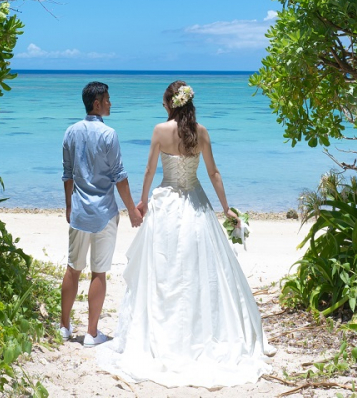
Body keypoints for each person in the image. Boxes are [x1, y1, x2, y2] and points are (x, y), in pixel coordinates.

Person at [96, 80, 274, 386]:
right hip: (196, 205)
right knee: (201, 270)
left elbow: (151, 171)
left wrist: (141, 201)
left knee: (164, 270)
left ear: (169, 104)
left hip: (166, 204)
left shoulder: (159, 131)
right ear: (189, 103)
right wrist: (226, 208)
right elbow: (213, 173)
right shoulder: (201, 132)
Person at [60, 81, 143, 346]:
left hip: (80, 212)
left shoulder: (71, 132)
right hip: (104, 212)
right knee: (98, 273)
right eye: (107, 99)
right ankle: (92, 333)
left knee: (73, 268)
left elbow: (67, 174)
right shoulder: (109, 135)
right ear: (97, 104)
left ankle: (64, 327)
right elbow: (120, 176)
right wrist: (132, 209)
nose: (110, 103)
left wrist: (69, 205)